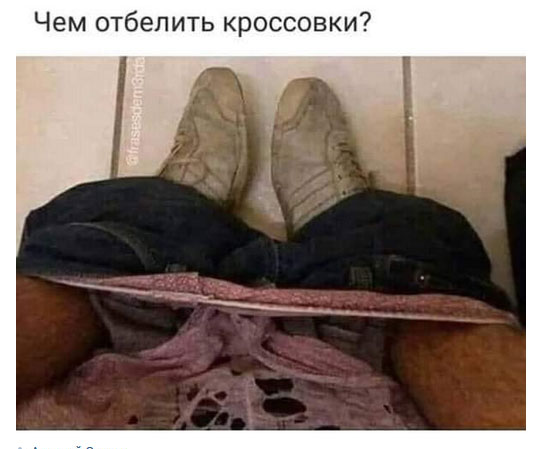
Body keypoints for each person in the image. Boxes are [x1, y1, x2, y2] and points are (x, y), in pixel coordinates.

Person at [16, 69, 525, 429]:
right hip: (381, 359)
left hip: (118, 363)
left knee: (90, 246)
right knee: (415, 253)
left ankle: (166, 214)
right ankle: (346, 223)